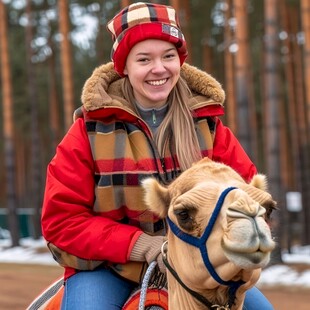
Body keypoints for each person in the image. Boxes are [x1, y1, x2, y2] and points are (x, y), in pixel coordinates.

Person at [41, 2, 273, 310]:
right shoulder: (88, 132)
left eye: (168, 56)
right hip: (107, 269)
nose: (159, 68)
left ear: (180, 60)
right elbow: (62, 221)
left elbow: (251, 201)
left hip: (199, 266)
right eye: (144, 59)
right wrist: (142, 245)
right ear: (123, 66)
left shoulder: (209, 127)